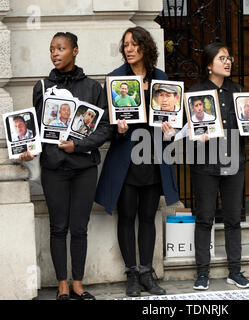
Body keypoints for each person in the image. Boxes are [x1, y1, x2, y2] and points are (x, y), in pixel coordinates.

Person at [20, 32, 113, 300]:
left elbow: (105, 129)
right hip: (53, 167)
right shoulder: (42, 86)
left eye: (61, 48)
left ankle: (78, 283)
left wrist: (78, 145)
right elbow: (34, 127)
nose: (55, 53)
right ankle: (62, 284)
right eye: (52, 49)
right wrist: (26, 147)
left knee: (80, 227)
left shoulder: (93, 88)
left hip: (84, 166)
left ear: (75, 51)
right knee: (58, 227)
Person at [94, 26, 179, 297]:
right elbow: (105, 120)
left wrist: (171, 130)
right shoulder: (115, 79)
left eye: (134, 44)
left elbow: (172, 117)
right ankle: (131, 274)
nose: (129, 49)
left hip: (153, 158)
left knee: (148, 217)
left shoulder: (161, 78)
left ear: (146, 47)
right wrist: (116, 127)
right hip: (126, 160)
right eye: (126, 45)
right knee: (127, 216)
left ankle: (147, 273)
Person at [188, 42, 249, 291]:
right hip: (204, 165)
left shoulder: (238, 91)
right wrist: (195, 134)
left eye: (229, 58)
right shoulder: (196, 93)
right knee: (204, 218)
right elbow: (185, 130)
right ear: (209, 65)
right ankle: (202, 273)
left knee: (233, 219)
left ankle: (235, 271)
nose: (228, 62)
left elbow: (246, 125)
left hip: (234, 163)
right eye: (222, 58)